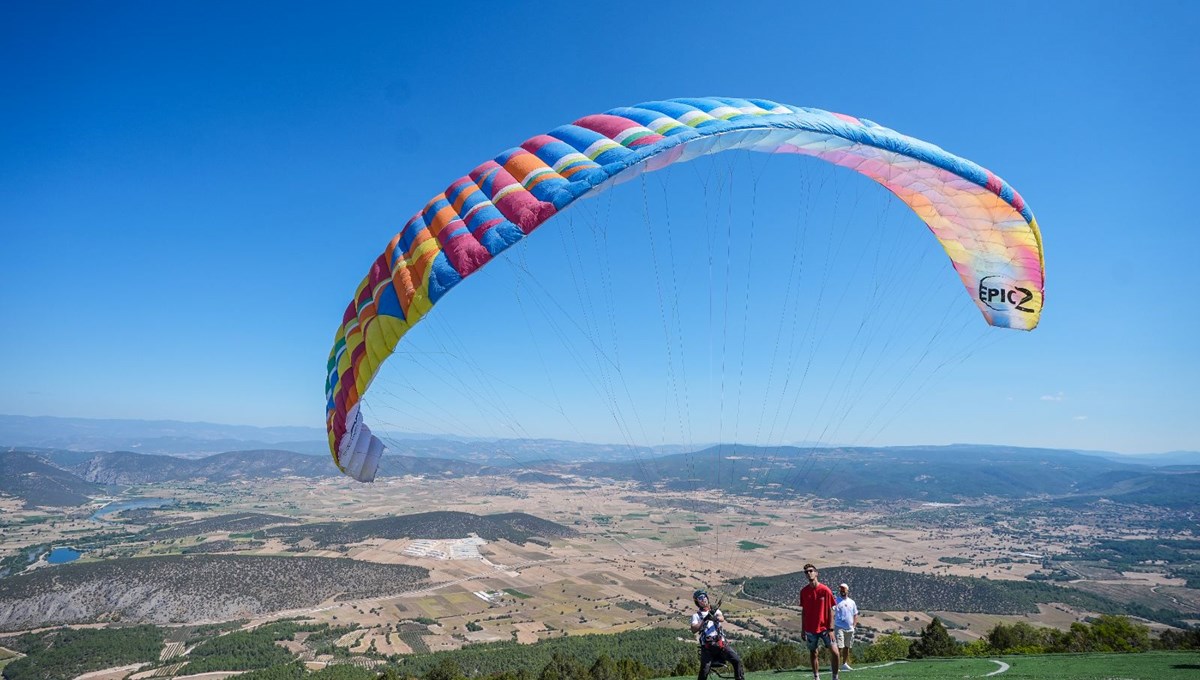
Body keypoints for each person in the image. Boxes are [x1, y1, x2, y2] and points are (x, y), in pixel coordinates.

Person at [689, 589, 745, 680]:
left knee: (737, 660)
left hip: (721, 644)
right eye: (700, 598)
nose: (703, 599)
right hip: (707, 647)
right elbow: (694, 629)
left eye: (704, 597)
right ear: (697, 602)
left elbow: (721, 618)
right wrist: (705, 619)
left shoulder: (716, 610)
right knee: (704, 670)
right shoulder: (696, 616)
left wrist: (713, 617)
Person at [798, 564, 840, 680]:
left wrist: (831, 629)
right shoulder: (804, 592)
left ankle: (835, 677)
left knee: (835, 652)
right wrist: (803, 629)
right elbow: (804, 611)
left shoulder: (825, 590)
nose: (808, 573)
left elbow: (832, 609)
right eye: (806, 572)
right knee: (813, 652)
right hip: (810, 628)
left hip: (825, 628)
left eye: (811, 571)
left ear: (816, 573)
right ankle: (816, 677)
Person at [834, 583, 859, 670]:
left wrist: (854, 625)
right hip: (839, 627)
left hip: (850, 628)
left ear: (847, 591)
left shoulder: (852, 602)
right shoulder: (836, 601)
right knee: (839, 646)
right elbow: (831, 609)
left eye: (843, 590)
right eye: (841, 590)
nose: (842, 591)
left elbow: (855, 614)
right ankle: (835, 664)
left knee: (847, 646)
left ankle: (844, 663)